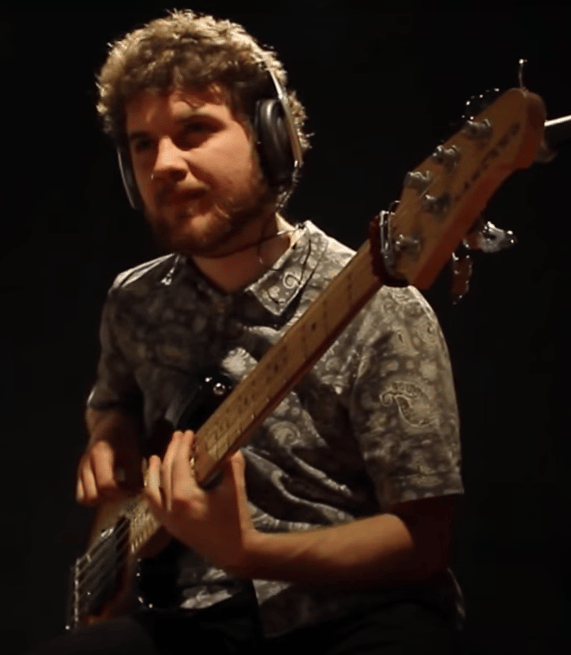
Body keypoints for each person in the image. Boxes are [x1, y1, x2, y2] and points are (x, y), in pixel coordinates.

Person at [30, 9, 463, 654]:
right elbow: (114, 401)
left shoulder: (378, 301)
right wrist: (110, 433)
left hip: (356, 614)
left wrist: (249, 551)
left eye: (194, 130)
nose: (163, 164)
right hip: (192, 618)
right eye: (142, 145)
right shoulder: (134, 301)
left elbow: (423, 542)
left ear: (271, 137)